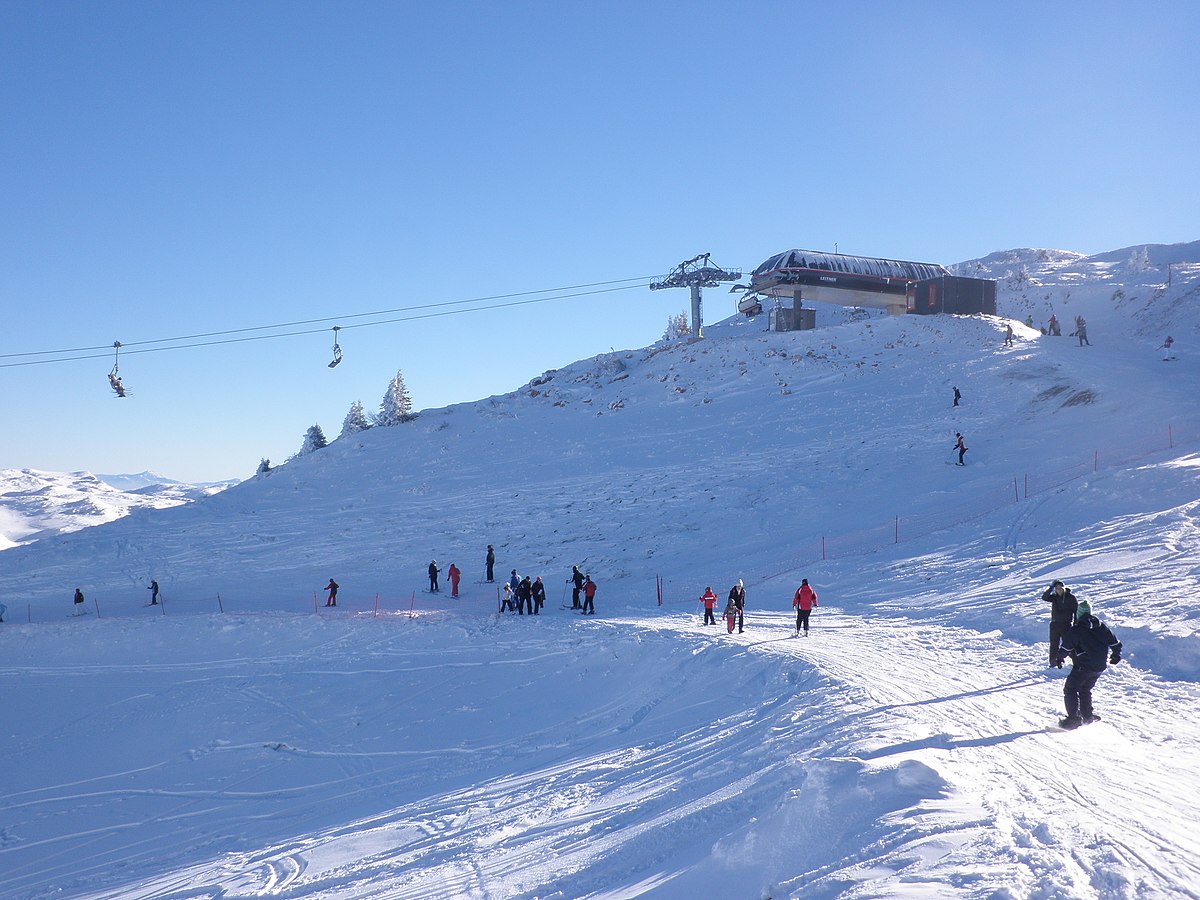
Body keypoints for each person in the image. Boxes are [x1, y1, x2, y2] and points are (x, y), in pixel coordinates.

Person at [1054, 599, 1121, 729]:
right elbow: (1114, 642)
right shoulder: (1101, 626)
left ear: (1078, 614)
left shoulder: (1077, 629)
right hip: (1099, 666)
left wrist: (1059, 658)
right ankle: (1087, 716)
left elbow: (1066, 647)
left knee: (1071, 689)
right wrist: (1116, 654)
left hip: (1084, 666)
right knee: (1085, 689)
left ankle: (1073, 719)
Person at [1041, 579, 1078, 667]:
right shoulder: (1054, 597)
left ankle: (1076, 663)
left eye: (1060, 588)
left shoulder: (1070, 598)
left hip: (1066, 625)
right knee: (1054, 645)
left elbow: (1076, 611)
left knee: (1068, 644)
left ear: (1064, 588)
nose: (1059, 590)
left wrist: (1076, 624)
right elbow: (1044, 597)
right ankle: (1053, 663)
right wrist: (1050, 588)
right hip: (1054, 624)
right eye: (1057, 588)